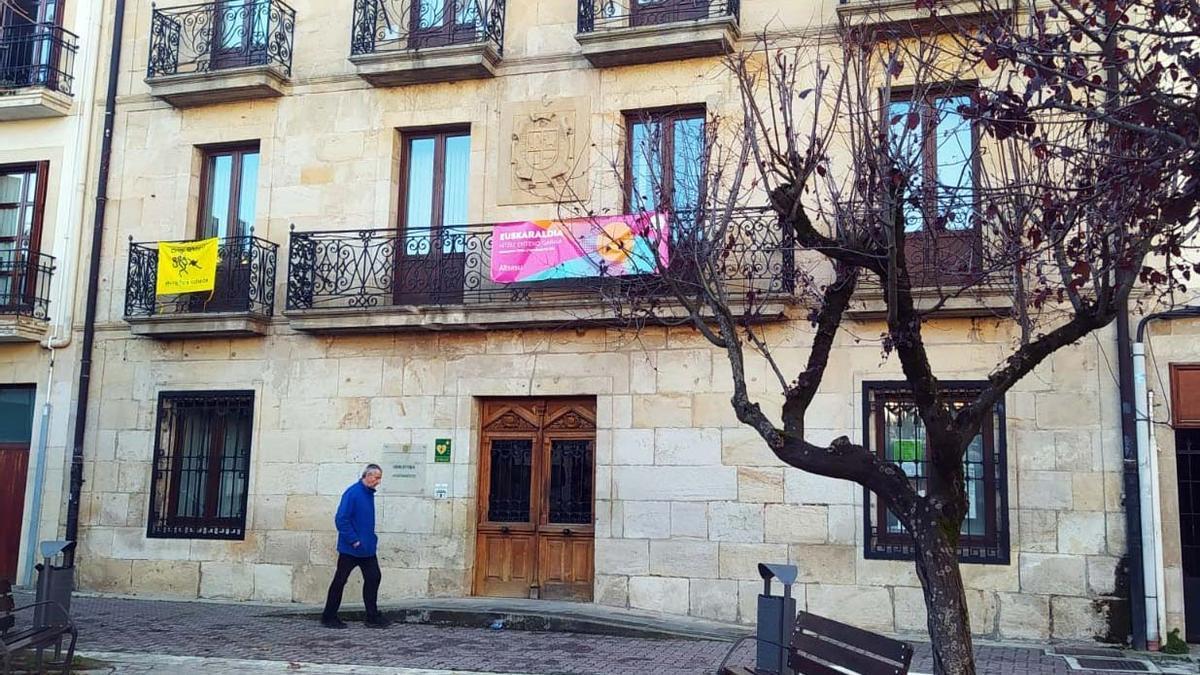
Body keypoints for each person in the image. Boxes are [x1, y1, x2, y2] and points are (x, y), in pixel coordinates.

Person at [321, 463, 390, 629]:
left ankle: (372, 616)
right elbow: (341, 519)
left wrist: (370, 540)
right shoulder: (353, 493)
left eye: (380, 478)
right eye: (377, 477)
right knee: (340, 581)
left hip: (367, 549)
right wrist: (354, 540)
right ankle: (329, 616)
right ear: (367, 475)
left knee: (374, 578)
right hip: (351, 549)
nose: (378, 482)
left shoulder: (368, 494)